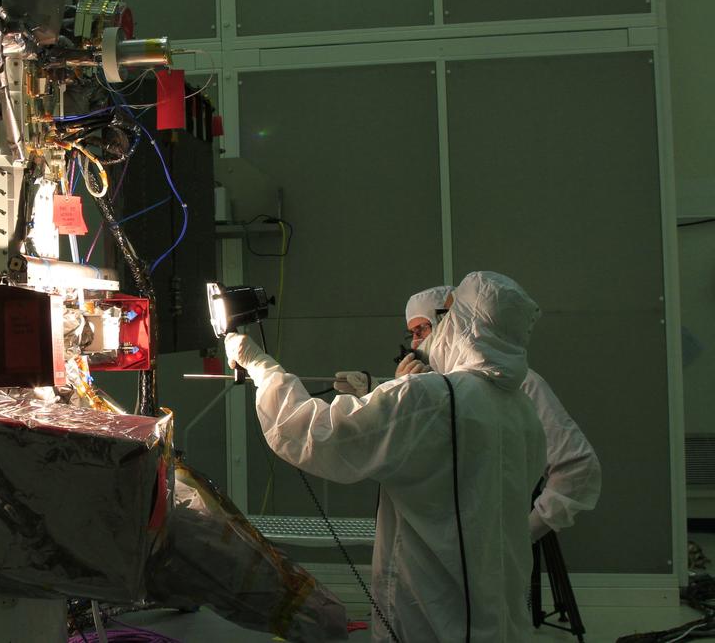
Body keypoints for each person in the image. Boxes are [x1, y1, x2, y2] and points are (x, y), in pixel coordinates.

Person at [228, 271, 546, 642]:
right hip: (498, 612)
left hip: (434, 612)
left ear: (464, 323)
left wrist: (262, 367)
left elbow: (313, 432)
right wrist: (384, 391)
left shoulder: (432, 398)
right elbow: (442, 455)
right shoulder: (521, 411)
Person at [336, 285, 603, 542]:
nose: (416, 343)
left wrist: (525, 533)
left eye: (422, 330)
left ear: (451, 321)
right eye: (412, 335)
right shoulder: (440, 385)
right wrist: (378, 394)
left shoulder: (518, 384)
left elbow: (578, 467)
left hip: (485, 546)